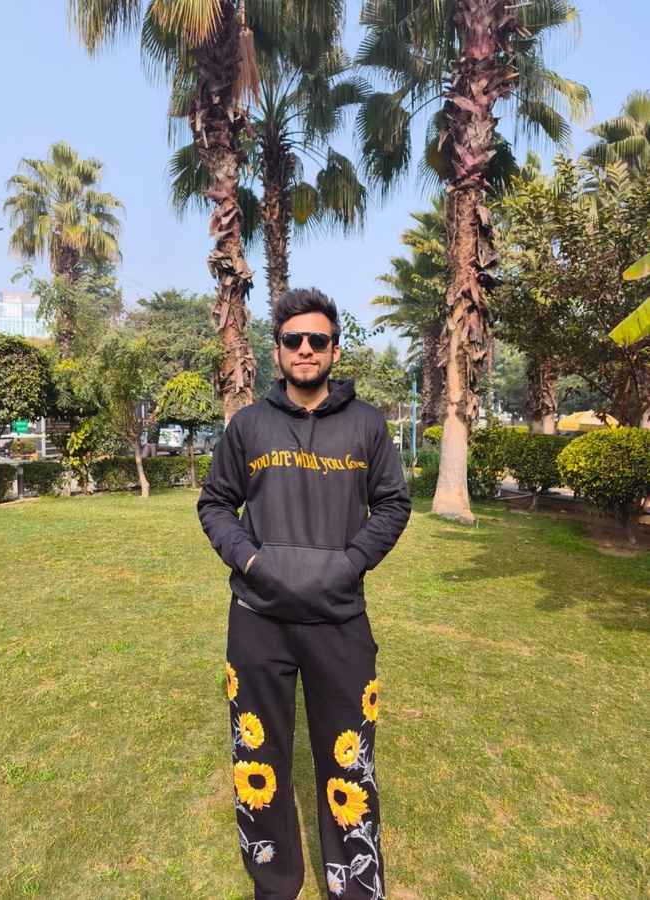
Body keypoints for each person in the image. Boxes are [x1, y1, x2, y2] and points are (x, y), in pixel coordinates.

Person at [198, 288, 411, 900]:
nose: (306, 349)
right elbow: (215, 503)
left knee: (348, 759)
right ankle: (275, 880)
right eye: (294, 339)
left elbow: (393, 504)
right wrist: (251, 560)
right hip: (258, 617)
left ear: (335, 350)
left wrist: (350, 565)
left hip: (339, 617)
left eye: (318, 339)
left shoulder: (366, 424)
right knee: (258, 755)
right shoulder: (248, 425)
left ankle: (354, 884)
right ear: (277, 351)